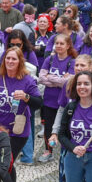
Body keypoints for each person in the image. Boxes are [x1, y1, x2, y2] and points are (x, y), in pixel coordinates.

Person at [0, 46, 42, 178]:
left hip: (17, 130)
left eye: (14, 59)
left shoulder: (27, 80)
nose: (10, 61)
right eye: (7, 58)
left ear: (20, 61)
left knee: (6, 163)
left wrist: (26, 97)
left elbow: (38, 102)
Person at [37, 34, 76, 163]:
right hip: (49, 99)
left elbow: (69, 82)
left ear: (68, 45)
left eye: (61, 43)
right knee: (48, 127)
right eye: (56, 43)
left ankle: (67, 151)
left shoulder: (72, 61)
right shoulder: (50, 59)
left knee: (66, 127)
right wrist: (60, 80)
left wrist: (51, 77)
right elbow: (41, 78)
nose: (58, 46)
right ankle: (49, 150)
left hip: (65, 101)